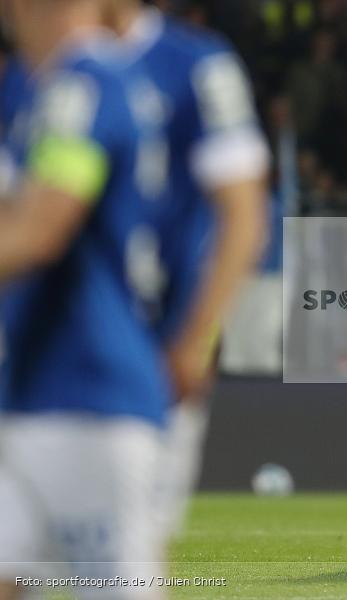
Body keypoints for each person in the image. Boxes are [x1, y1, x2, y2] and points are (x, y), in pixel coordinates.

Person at [0, 0, 172, 596]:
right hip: (33, 392)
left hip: (87, 399)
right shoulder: (35, 89)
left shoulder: (88, 83)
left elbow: (42, 229)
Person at [102, 0, 270, 540]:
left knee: (130, 551)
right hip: (57, 341)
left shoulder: (196, 65)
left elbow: (244, 213)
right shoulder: (41, 68)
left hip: (159, 337)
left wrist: (194, 336)